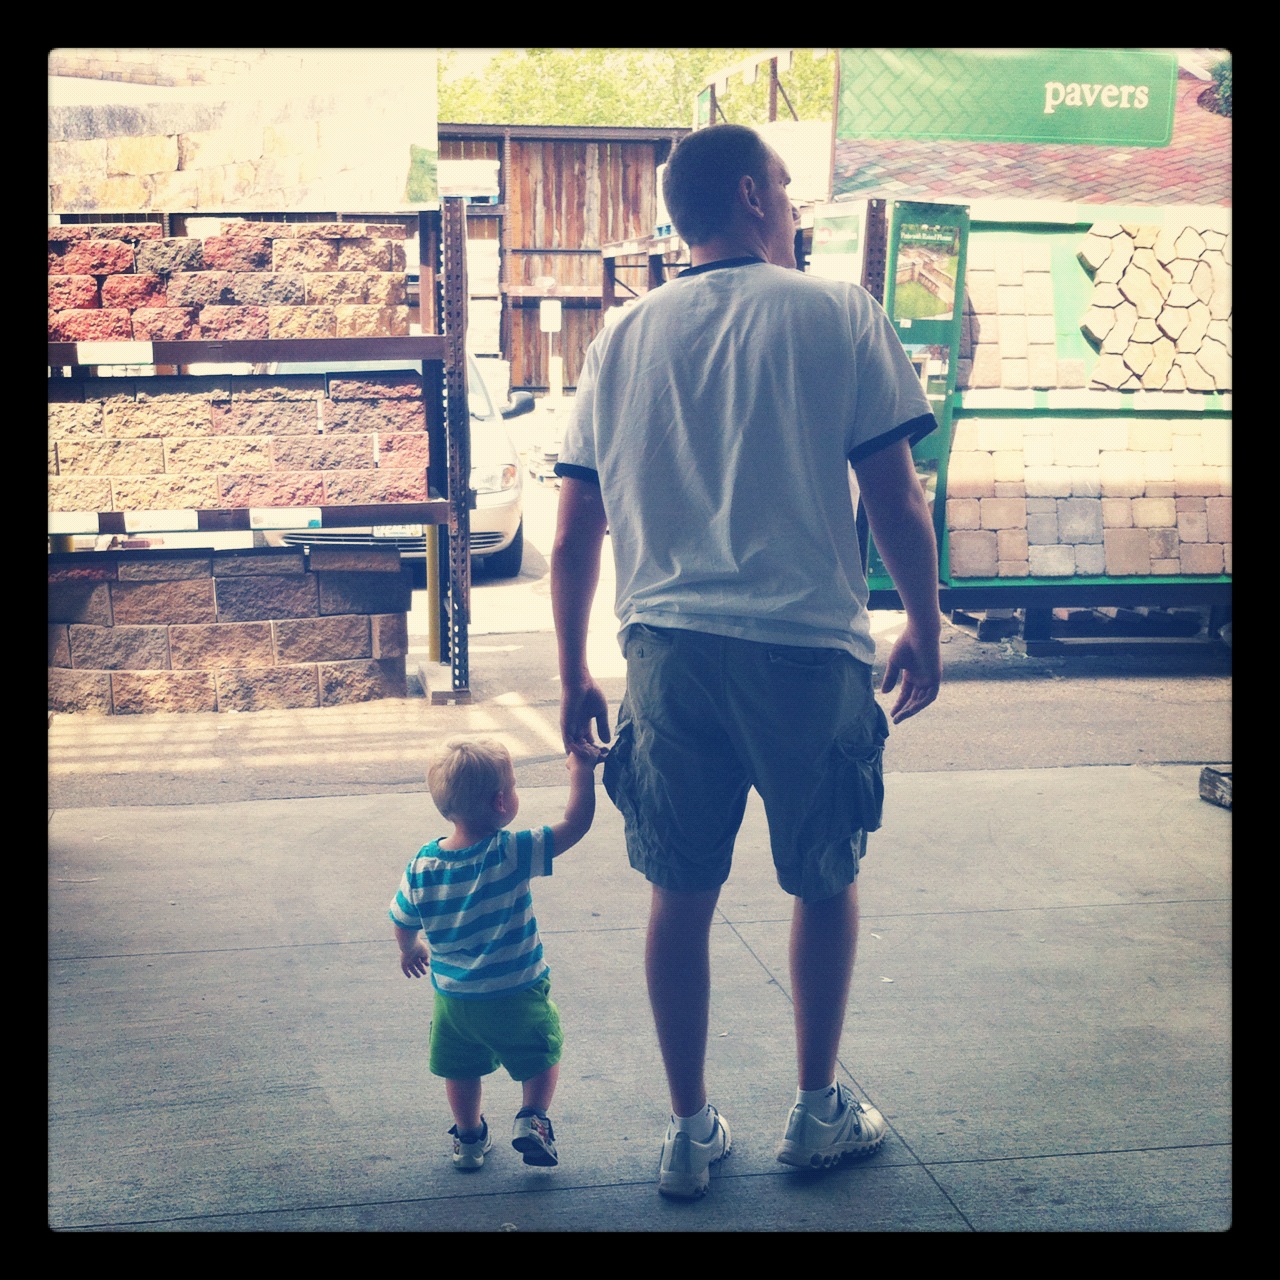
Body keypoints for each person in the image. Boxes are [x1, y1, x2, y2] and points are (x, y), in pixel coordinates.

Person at [551, 123, 942, 1200]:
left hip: (666, 652)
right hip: (806, 650)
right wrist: (923, 619)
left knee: (678, 889)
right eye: (784, 183)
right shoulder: (838, 314)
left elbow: (575, 530)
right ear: (749, 195)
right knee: (823, 875)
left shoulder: (620, 340)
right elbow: (895, 497)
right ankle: (817, 1112)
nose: (794, 204)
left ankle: (688, 1131)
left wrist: (573, 670)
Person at [389, 736, 604, 1171]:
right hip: (517, 993)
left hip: (454, 1003)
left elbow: (402, 917)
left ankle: (468, 1138)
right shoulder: (511, 852)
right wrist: (581, 772)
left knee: (460, 1069)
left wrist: (410, 948)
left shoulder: (422, 867)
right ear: (502, 802)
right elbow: (575, 824)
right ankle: (532, 1119)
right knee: (541, 1055)